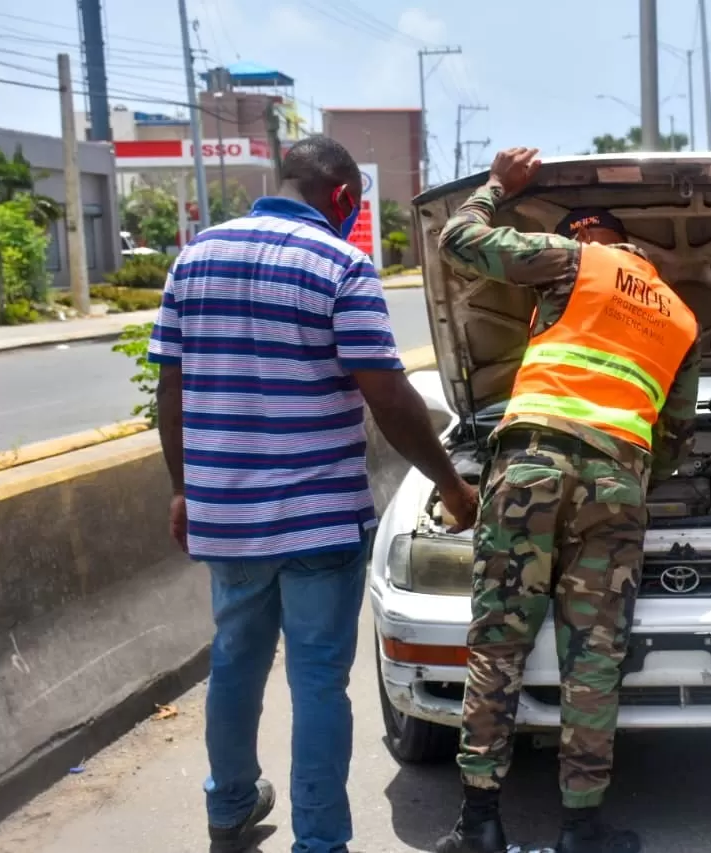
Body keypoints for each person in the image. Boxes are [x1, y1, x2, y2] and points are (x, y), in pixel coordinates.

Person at [148, 135, 479, 853]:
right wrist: (449, 483)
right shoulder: (340, 264)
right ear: (341, 198)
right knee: (320, 680)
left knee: (234, 655)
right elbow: (388, 394)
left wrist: (183, 489)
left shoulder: (194, 257)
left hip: (226, 513)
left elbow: (168, 390)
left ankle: (230, 804)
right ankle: (320, 841)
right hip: (320, 519)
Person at [433, 147, 702, 853]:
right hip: (617, 483)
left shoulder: (571, 260)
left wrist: (496, 187)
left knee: (499, 644)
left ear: (589, 238)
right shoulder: (679, 315)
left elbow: (456, 240)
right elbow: (673, 438)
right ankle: (583, 828)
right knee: (595, 660)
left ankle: (480, 824)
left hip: (531, 468)